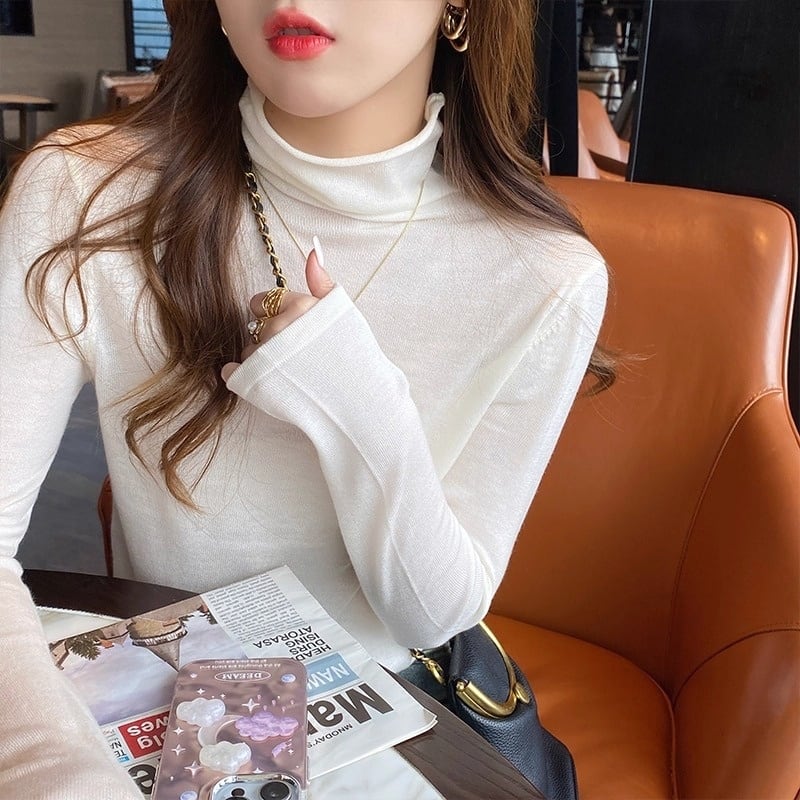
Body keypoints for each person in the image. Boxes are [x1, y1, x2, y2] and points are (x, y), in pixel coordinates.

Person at [0, 0, 612, 796]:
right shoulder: (86, 193)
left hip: (395, 712)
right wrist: (53, 774)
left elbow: (432, 617)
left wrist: (355, 398)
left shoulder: (543, 275)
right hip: (165, 701)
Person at [582, 0, 625, 113]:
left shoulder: (594, 20)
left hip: (597, 53)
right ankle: (614, 110)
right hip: (610, 54)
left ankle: (595, 108)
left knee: (597, 83)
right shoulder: (615, 20)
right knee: (614, 83)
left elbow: (589, 38)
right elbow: (620, 40)